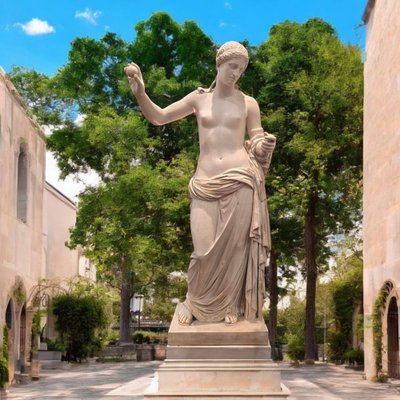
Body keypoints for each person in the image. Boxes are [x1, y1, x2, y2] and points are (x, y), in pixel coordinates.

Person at [125, 41, 275, 326]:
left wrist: (263, 145)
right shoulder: (198, 99)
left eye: (241, 69)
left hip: (240, 180)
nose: (236, 74)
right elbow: (159, 117)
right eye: (232, 66)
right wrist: (141, 94)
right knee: (203, 251)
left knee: (235, 252)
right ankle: (195, 303)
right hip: (205, 182)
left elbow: (255, 140)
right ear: (219, 64)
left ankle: (231, 305)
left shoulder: (248, 103)